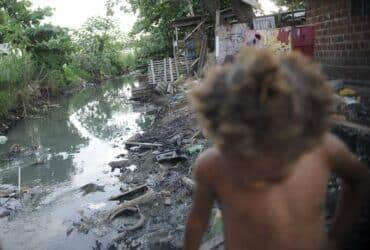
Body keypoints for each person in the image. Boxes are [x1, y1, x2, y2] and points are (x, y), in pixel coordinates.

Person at [183, 48, 370, 250]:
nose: (270, 172)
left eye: (284, 154)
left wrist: (337, 237)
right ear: (226, 139)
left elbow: (359, 179)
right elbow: (197, 221)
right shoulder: (212, 165)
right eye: (250, 158)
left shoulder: (322, 148)